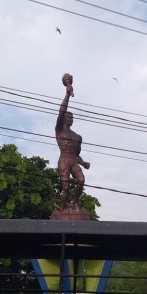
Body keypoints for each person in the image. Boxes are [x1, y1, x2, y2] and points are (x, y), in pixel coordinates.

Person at [55, 73, 90, 209]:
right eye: (69, 117)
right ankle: (63, 207)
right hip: (64, 160)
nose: (71, 119)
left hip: (73, 160)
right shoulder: (59, 131)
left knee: (81, 180)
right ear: (64, 119)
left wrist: (83, 162)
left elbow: (76, 155)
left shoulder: (77, 137)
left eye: (72, 118)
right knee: (66, 187)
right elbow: (61, 111)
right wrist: (67, 95)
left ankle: (75, 202)